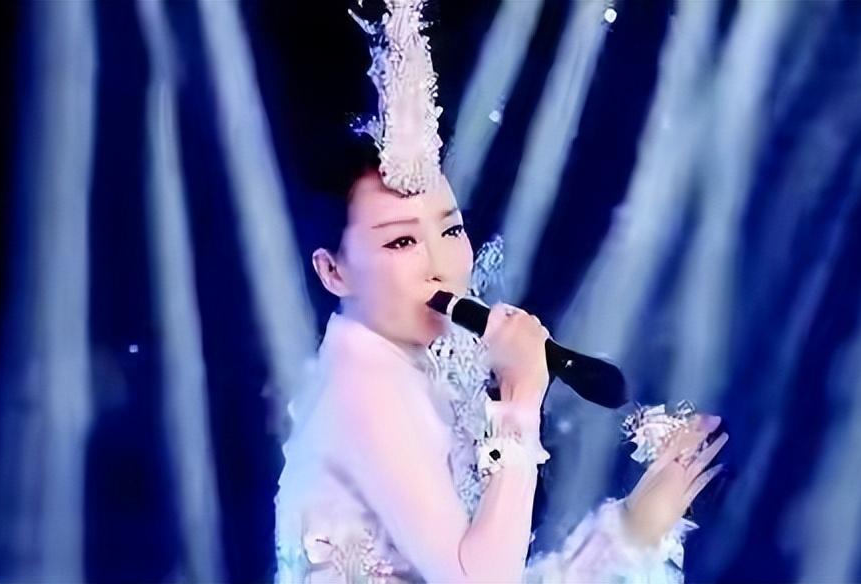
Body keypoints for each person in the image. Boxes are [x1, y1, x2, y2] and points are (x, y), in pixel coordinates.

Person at [274, 2, 727, 581]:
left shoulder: (409, 364)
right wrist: (519, 398)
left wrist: (632, 531)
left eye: (451, 231)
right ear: (333, 272)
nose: (442, 267)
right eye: (401, 243)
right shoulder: (364, 387)